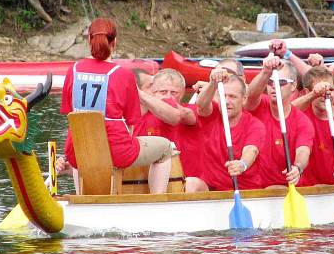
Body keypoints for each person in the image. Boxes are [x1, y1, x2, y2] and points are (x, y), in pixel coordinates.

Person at [57, 18, 176, 194]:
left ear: (89, 40)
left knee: (83, 148)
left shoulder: (73, 70)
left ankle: (81, 198)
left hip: (76, 150)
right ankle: (156, 203)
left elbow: (69, 114)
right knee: (165, 148)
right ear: (115, 42)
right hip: (116, 151)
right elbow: (131, 123)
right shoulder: (123, 74)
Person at [186, 67, 264, 192]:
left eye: (233, 97)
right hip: (211, 188)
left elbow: (251, 150)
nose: (226, 101)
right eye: (223, 96)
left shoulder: (255, 125)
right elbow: (201, 105)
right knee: (190, 183)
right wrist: (213, 82)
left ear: (243, 99)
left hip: (245, 190)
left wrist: (242, 165)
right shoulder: (212, 114)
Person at [245, 54, 313, 187]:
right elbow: (251, 95)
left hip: (286, 186)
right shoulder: (258, 105)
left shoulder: (302, 121)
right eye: (270, 82)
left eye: (281, 82)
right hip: (253, 187)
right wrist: (266, 71)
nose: (274, 86)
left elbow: (303, 151)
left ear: (293, 86)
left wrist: (297, 168)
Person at [292, 66, 334, 186]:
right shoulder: (301, 114)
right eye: (321, 91)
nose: (327, 94)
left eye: (331, 89)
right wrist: (314, 94)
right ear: (308, 92)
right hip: (305, 188)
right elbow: (287, 112)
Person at [134, 69, 197, 179]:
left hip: (174, 172)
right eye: (163, 92)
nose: (168, 97)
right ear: (153, 91)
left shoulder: (187, 110)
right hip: (139, 171)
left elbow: (188, 116)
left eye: (174, 93)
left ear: (182, 93)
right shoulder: (142, 108)